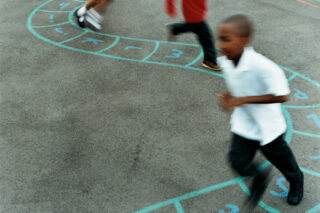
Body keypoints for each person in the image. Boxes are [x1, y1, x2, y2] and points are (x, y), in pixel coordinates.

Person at [217, 14, 303, 209]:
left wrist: (244, 99)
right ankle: (258, 178)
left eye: (226, 39)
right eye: (220, 38)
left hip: (267, 125)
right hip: (245, 122)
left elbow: (283, 95)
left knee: (281, 159)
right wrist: (229, 94)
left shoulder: (263, 66)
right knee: (237, 160)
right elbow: (236, 80)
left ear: (244, 41)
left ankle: (296, 180)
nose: (221, 44)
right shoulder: (225, 59)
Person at [164, 0, 220, 71]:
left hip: (197, 10)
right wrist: (170, 8)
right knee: (206, 37)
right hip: (193, 11)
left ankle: (174, 29)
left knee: (194, 27)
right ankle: (209, 60)